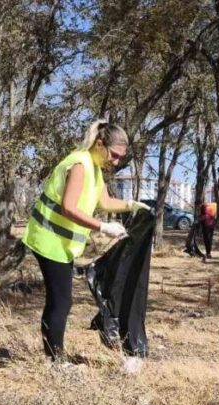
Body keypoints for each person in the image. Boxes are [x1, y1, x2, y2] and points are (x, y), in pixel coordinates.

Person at [22, 120, 148, 361]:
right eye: (114, 155)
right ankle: (55, 361)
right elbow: (68, 208)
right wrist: (102, 226)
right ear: (100, 144)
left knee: (60, 300)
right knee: (61, 301)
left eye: (120, 157)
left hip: (62, 244)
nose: (116, 161)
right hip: (48, 240)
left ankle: (54, 358)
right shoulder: (80, 164)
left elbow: (105, 202)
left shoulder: (94, 168)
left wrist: (132, 205)